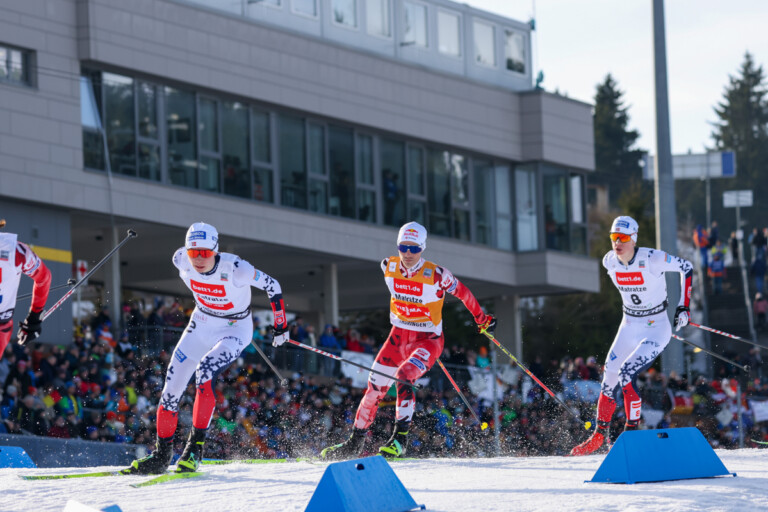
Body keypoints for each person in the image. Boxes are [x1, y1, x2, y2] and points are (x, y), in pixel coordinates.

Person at [321, 221, 495, 459]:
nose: (408, 253)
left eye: (414, 248)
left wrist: (481, 319)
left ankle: (399, 440)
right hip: (397, 338)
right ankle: (353, 444)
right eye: (404, 247)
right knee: (374, 391)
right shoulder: (387, 265)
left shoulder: (437, 275)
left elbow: (463, 293)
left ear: (422, 247)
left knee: (404, 376)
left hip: (427, 341)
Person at [126, 222, 289, 474]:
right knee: (171, 389)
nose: (198, 259)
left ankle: (194, 450)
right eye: (194, 253)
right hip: (201, 324)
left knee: (205, 371)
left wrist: (280, 326)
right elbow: (187, 259)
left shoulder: (237, 269)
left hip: (235, 329)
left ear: (215, 249)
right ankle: (161, 455)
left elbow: (273, 286)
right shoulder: (180, 259)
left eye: (204, 253)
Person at [570, 216, 692, 456]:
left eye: (623, 238)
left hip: (656, 327)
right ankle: (598, 435)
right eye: (614, 237)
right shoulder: (609, 261)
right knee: (609, 377)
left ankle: (631, 435)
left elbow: (686, 267)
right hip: (629, 324)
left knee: (627, 373)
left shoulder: (652, 258)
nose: (617, 242)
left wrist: (683, 306)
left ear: (633, 239)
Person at [0, 221, 52, 358]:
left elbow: (44, 278)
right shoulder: (16, 251)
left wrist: (34, 317)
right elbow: (44, 278)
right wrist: (34, 317)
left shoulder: (16, 252)